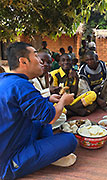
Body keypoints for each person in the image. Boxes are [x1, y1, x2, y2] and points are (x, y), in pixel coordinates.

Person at [0, 42, 77, 179]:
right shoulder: (22, 86)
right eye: (36, 56)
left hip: (13, 140)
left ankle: (48, 153)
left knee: (41, 122)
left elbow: (23, 106)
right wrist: (63, 101)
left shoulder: (6, 80)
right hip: (8, 161)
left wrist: (47, 100)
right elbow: (52, 117)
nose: (40, 61)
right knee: (70, 140)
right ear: (23, 61)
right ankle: (49, 154)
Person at [31, 52, 66, 129]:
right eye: (42, 62)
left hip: (45, 108)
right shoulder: (31, 78)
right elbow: (34, 99)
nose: (46, 64)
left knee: (63, 116)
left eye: (49, 62)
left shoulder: (49, 76)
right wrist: (49, 91)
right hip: (35, 112)